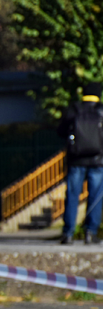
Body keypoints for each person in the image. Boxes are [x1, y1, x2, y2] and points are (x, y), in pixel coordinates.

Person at [58, 82, 103, 244]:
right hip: (98, 161)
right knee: (95, 196)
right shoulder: (101, 110)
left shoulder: (73, 110)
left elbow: (61, 131)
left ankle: (68, 233)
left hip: (76, 160)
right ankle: (90, 232)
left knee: (72, 195)